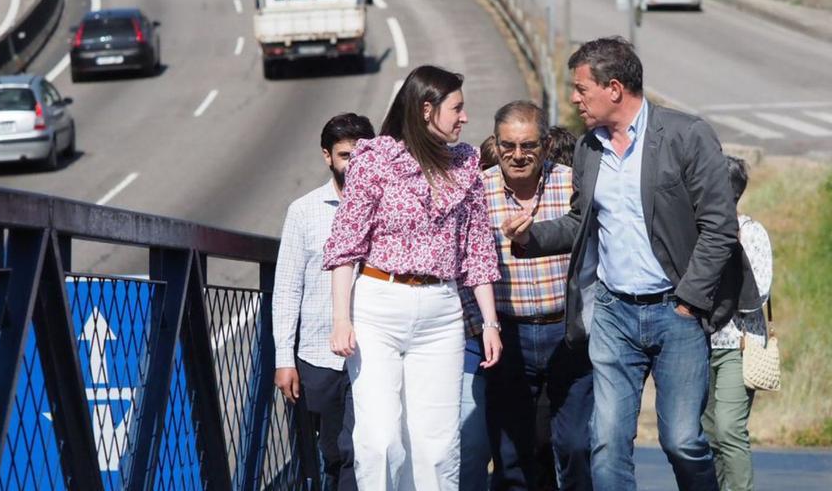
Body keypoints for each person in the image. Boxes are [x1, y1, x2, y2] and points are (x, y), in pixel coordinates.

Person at [504, 36, 759, 491]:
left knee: (683, 441)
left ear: (615, 88)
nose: (575, 99)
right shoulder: (588, 149)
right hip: (614, 315)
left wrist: (688, 303)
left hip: (675, 313)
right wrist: (531, 236)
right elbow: (582, 222)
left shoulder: (686, 136)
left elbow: (719, 228)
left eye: (582, 89)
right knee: (606, 444)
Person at [322, 64, 503, 491]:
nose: (464, 117)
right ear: (426, 109)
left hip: (441, 312)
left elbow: (477, 249)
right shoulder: (374, 159)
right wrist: (341, 319)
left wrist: (490, 323)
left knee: (436, 446)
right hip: (379, 306)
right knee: (382, 440)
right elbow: (346, 244)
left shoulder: (466, 163)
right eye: (456, 108)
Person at [460, 101, 592, 491]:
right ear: (496, 144)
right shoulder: (476, 192)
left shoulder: (572, 183)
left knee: (575, 446)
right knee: (513, 455)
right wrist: (481, 327)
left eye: (528, 146)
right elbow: (462, 265)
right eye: (508, 146)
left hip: (567, 335)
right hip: (507, 338)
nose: (517, 156)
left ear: (547, 144)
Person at [272, 112, 376, 491]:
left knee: (360, 450)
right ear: (327, 157)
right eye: (346, 156)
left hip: (374, 353)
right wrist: (285, 359)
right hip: (318, 356)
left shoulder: (389, 208)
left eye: (363, 155)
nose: (355, 164)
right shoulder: (303, 211)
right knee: (329, 452)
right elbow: (286, 288)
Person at [702, 155, 772, 491]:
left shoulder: (752, 233)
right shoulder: (695, 232)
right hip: (699, 343)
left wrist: (732, 251)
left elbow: (757, 296)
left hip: (738, 343)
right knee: (708, 434)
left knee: (729, 429)